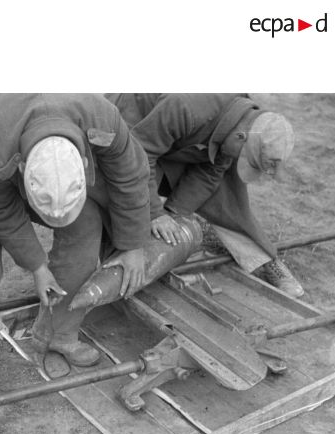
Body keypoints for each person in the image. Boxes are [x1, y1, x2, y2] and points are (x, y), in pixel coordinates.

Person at [0, 94, 153, 404]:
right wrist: (37, 265)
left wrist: (134, 245)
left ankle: (57, 333)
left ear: (82, 158)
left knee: (86, 223)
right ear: (22, 167)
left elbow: (130, 175)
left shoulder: (102, 117)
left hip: (31, 118)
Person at [105, 93, 304, 297]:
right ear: (240, 136)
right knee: (122, 201)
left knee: (229, 191)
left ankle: (263, 258)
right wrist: (154, 213)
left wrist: (175, 213)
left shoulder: (246, 119)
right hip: (130, 131)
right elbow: (139, 155)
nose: (237, 160)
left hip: (178, 143)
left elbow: (211, 172)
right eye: (243, 156)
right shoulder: (187, 106)